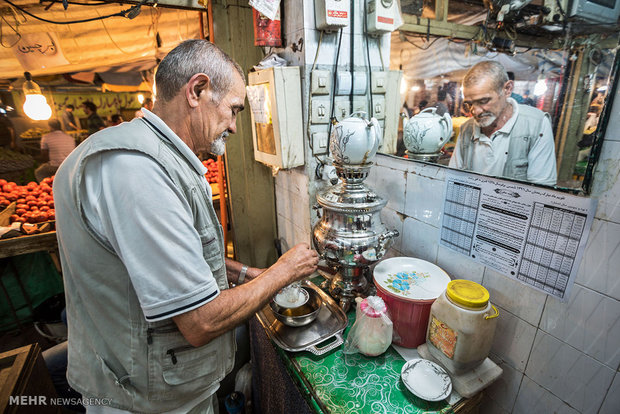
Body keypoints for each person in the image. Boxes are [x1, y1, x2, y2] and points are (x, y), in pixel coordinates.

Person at [53, 39, 319, 413]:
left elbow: (165, 262)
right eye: (233, 110)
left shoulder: (157, 158)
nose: (234, 126)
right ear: (197, 90)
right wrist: (281, 271)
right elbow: (200, 322)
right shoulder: (136, 169)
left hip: (159, 388)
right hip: (140, 401)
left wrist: (247, 273)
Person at [449, 61, 557, 186]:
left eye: (484, 100)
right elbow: (454, 177)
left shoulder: (536, 124)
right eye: (469, 104)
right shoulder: (467, 128)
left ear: (507, 89)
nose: (475, 111)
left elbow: (542, 188)